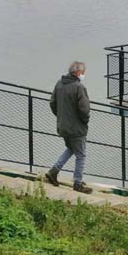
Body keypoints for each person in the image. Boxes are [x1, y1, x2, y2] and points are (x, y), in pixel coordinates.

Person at [44, 61, 92, 193]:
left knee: (71, 148)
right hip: (77, 128)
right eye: (83, 72)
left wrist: (60, 117)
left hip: (63, 126)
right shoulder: (79, 87)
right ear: (77, 72)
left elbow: (52, 103)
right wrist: (85, 121)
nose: (83, 75)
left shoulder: (59, 83)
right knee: (81, 155)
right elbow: (84, 109)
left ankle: (54, 171)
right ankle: (77, 183)